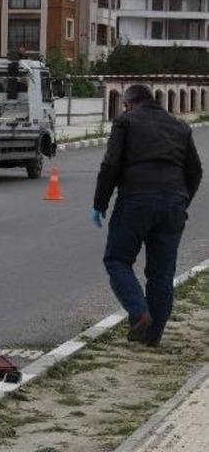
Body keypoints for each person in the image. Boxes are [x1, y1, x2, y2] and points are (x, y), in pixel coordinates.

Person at [93, 84, 202, 346]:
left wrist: (100, 203)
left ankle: (139, 312)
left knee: (117, 259)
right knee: (162, 273)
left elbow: (111, 164)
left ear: (130, 103)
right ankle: (152, 337)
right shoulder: (180, 126)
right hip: (174, 203)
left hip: (136, 199)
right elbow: (195, 171)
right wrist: (182, 201)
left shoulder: (126, 121)